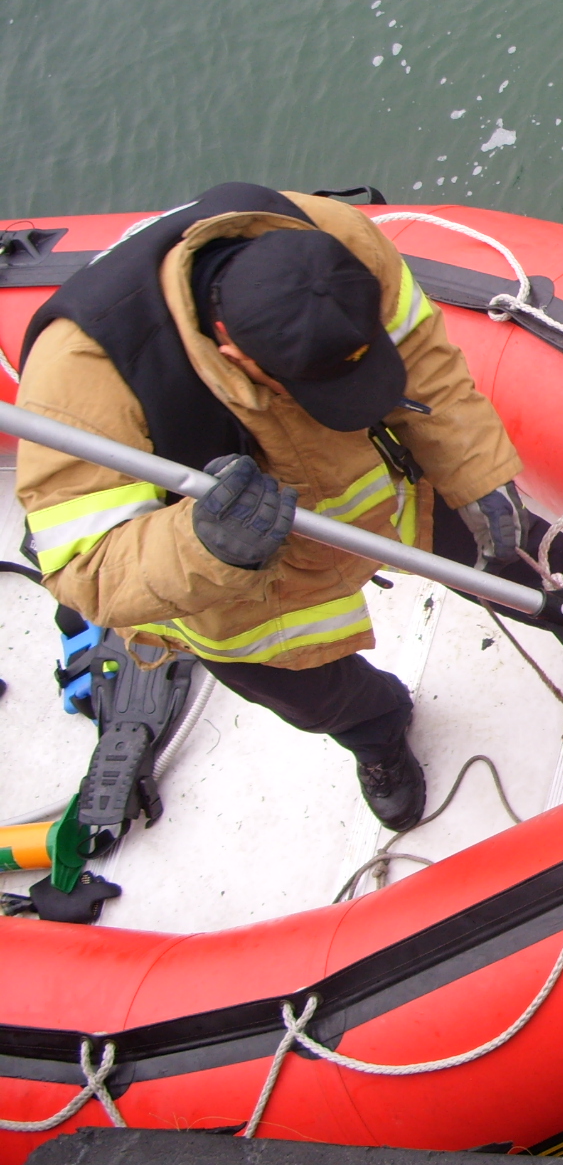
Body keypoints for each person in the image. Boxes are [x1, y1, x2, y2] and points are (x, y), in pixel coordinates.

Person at [14, 183, 528, 833]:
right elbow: (81, 566)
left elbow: (426, 364)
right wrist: (204, 542)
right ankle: (379, 732)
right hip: (243, 590)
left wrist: (478, 476)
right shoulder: (78, 379)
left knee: (524, 558)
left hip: (381, 487)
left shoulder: (335, 238)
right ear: (232, 349)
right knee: (316, 695)